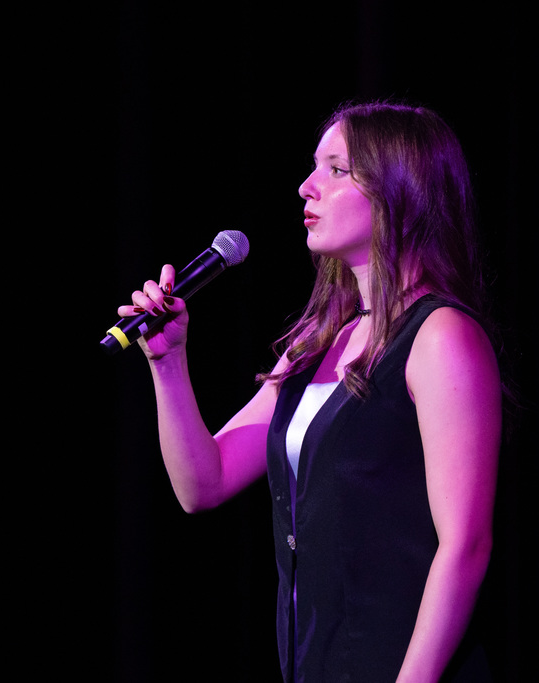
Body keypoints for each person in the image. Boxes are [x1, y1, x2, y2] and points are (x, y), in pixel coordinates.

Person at [116, 101, 503, 682]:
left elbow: (465, 544)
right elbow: (204, 483)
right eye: (313, 167)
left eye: (337, 169)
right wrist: (167, 363)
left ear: (399, 187)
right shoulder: (317, 346)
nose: (306, 186)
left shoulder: (440, 337)